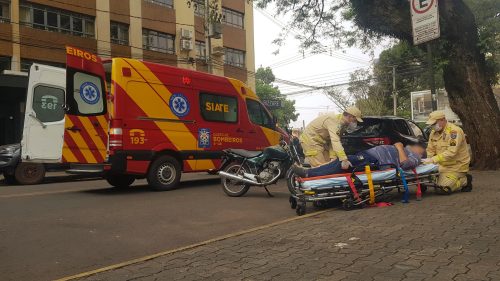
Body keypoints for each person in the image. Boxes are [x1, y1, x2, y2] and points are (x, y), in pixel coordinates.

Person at [292, 142, 425, 178]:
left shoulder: (415, 157)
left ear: (420, 151)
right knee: (341, 160)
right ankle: (311, 170)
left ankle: (309, 173)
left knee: (343, 163)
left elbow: (404, 164)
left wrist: (399, 147)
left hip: (375, 160)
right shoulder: (409, 151)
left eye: (416, 146)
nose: (413, 146)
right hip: (369, 155)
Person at [422, 111, 472, 194]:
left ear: (442, 120)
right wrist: (427, 161)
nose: (432, 126)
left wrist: (433, 160)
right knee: (422, 177)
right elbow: (430, 149)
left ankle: (465, 180)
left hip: (456, 166)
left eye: (434, 123)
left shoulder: (454, 132)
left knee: (443, 189)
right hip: (441, 165)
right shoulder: (433, 133)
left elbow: (451, 152)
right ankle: (441, 178)